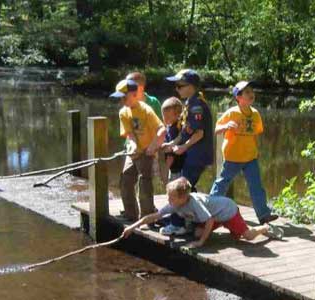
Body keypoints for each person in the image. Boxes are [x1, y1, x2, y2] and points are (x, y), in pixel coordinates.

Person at [121, 177, 283, 248]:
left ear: (183, 197)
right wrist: (132, 227)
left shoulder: (194, 203)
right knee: (198, 232)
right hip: (214, 216)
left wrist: (201, 243)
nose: (168, 200)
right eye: (168, 197)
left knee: (247, 237)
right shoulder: (176, 204)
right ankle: (232, 232)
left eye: (171, 198)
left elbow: (210, 219)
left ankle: (266, 228)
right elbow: (153, 216)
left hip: (228, 212)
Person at [209, 81, 278, 224]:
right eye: (246, 92)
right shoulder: (232, 113)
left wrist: (256, 151)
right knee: (222, 183)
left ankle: (263, 215)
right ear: (238, 97)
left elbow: (256, 134)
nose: (251, 94)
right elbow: (216, 130)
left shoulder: (256, 114)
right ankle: (209, 208)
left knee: (256, 186)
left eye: (252, 91)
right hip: (233, 157)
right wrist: (226, 126)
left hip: (250, 157)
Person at [162, 69, 214, 235]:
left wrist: (182, 147)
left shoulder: (197, 105)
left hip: (197, 155)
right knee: (188, 189)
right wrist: (173, 143)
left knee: (180, 189)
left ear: (191, 87)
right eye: (176, 86)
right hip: (191, 154)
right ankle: (190, 221)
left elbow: (199, 133)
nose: (177, 89)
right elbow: (186, 131)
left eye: (180, 86)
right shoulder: (190, 103)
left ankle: (178, 225)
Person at [110, 79, 166, 222]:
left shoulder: (146, 110)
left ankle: (147, 216)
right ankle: (131, 214)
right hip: (134, 152)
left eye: (124, 97)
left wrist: (152, 147)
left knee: (144, 182)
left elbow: (162, 130)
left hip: (147, 152)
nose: (122, 101)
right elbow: (130, 134)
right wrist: (133, 146)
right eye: (119, 98)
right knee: (126, 179)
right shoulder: (123, 112)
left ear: (135, 94)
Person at [159, 97, 185, 184]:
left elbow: (173, 147)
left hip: (176, 163)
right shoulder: (169, 127)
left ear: (178, 115)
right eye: (163, 115)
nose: (165, 119)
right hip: (173, 165)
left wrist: (167, 164)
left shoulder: (176, 128)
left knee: (175, 184)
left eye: (167, 116)